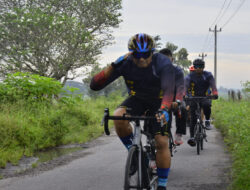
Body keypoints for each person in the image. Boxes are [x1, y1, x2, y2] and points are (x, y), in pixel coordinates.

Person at [90, 33, 176, 190]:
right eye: (137, 55)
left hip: (160, 100)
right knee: (118, 116)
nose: (142, 59)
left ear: (152, 53)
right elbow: (95, 85)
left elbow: (170, 90)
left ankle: (162, 185)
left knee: (161, 141)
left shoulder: (162, 63)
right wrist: (113, 66)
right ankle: (135, 155)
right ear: (131, 53)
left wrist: (164, 109)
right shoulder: (126, 63)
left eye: (146, 55)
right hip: (137, 99)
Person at [185, 59, 218, 147]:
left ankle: (207, 120)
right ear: (194, 67)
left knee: (207, 105)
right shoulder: (189, 76)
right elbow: (185, 87)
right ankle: (192, 137)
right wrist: (185, 95)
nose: (198, 69)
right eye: (196, 67)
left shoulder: (208, 75)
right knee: (193, 118)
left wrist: (215, 94)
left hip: (205, 96)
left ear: (203, 67)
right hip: (194, 97)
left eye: (200, 67)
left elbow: (213, 86)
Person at [159, 48, 186, 145]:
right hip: (159, 98)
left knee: (182, 108)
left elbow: (181, 87)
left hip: (174, 98)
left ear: (172, 60)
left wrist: (178, 100)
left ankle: (179, 133)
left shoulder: (177, 71)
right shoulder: (154, 71)